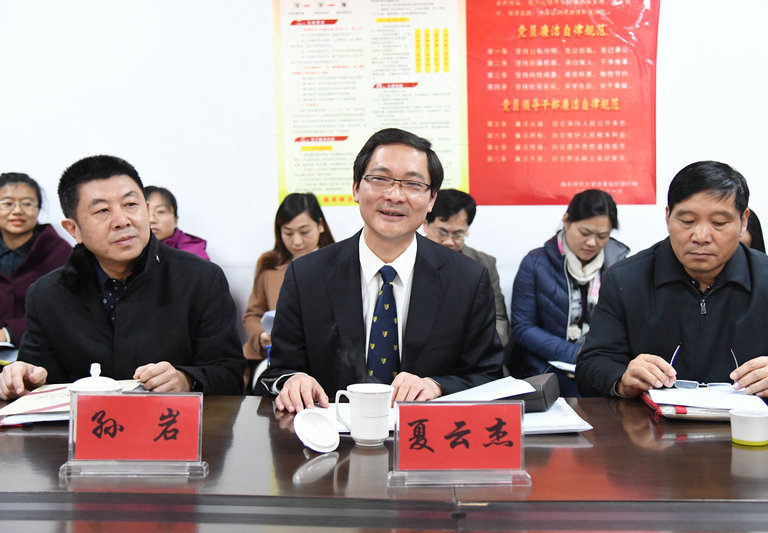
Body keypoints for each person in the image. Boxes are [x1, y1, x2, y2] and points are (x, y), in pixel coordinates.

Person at [259, 128, 504, 412]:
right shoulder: (306, 276)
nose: (394, 195)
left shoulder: (468, 280)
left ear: (431, 200)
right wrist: (293, 380)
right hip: (331, 431)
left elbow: (488, 376)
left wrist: (437, 386)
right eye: (379, 179)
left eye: (413, 184)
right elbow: (279, 370)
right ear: (355, 188)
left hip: (423, 431)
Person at [0, 155, 245, 400]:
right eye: (102, 210)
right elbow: (37, 378)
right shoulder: (47, 294)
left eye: (130, 204)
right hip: (84, 424)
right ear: (74, 229)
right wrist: (23, 378)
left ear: (145, 209)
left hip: (170, 421)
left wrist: (186, 380)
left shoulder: (201, 279)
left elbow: (230, 375)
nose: (122, 221)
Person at [576, 160, 768, 400]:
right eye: (687, 221)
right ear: (668, 217)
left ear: (744, 221)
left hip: (746, 422)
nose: (701, 236)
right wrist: (621, 379)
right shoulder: (625, 279)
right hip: (647, 422)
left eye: (719, 223)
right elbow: (591, 365)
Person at [509, 189, 629, 396]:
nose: (592, 243)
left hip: (603, 370)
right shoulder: (535, 263)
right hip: (546, 369)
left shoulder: (620, 267)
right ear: (566, 221)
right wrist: (575, 353)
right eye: (585, 233)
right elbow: (523, 327)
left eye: (602, 236)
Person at [242, 193, 334, 380]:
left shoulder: (339, 263)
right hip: (277, 356)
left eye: (304, 232)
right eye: (288, 233)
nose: (297, 241)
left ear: (320, 225)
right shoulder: (269, 264)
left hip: (327, 357)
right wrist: (261, 335)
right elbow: (252, 314)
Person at [0, 173, 72, 364]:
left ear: (39, 208)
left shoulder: (59, 252)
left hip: (43, 356)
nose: (17, 211)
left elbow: (65, 309)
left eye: (27, 203)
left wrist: (9, 333)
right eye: (7, 203)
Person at [423, 189, 509, 346]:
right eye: (442, 232)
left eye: (458, 234)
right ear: (425, 225)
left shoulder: (484, 264)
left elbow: (499, 321)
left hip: (473, 352)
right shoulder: (407, 259)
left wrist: (476, 349)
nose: (449, 241)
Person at [144, 185, 210, 260]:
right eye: (145, 212)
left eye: (161, 211)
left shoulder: (193, 255)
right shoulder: (134, 248)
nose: (152, 220)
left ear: (175, 220)